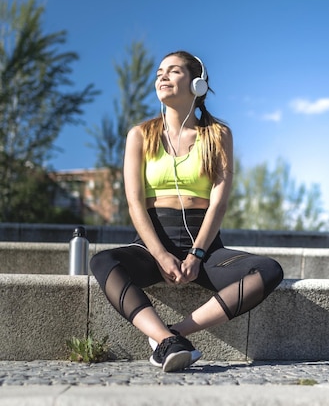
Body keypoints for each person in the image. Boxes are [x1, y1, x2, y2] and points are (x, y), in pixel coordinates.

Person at [90, 50, 284, 373]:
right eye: (159, 72)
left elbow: (219, 202)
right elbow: (135, 203)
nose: (162, 77)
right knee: (101, 261)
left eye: (173, 71)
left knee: (269, 270)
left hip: (205, 249)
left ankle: (173, 334)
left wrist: (196, 254)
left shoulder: (218, 136)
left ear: (197, 85)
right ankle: (164, 338)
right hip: (151, 245)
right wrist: (161, 255)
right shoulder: (139, 135)